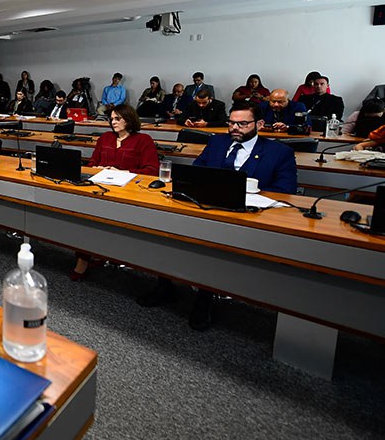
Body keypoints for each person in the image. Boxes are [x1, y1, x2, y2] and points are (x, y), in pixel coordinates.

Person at [140, 101, 298, 330]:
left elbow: (286, 192)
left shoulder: (279, 152)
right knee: (165, 229)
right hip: (206, 209)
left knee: (212, 246)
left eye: (242, 124)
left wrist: (247, 194)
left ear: (260, 124)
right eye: (232, 123)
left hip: (248, 217)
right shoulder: (217, 142)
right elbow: (196, 170)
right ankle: (165, 284)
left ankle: (206, 295)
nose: (235, 128)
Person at [70, 104, 160, 280]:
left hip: (128, 192)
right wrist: (97, 167)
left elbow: (152, 170)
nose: (113, 122)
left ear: (129, 118)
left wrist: (125, 173)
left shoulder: (143, 140)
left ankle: (108, 255)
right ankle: (84, 258)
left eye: (117, 118)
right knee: (84, 217)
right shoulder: (105, 138)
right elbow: (91, 163)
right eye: (111, 119)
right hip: (100, 189)